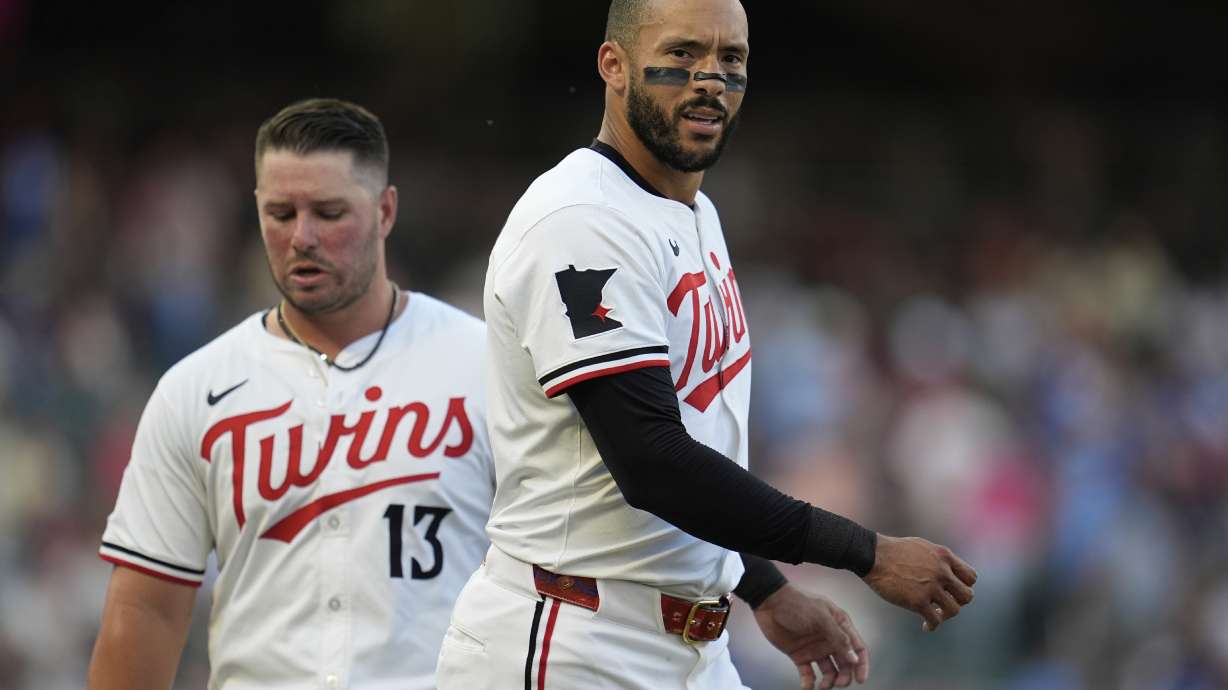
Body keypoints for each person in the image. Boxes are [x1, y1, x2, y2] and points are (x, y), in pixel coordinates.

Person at [436, 1, 978, 689]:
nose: (710, 79)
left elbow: (695, 449)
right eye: (684, 53)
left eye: (731, 59)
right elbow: (651, 461)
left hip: (685, 638)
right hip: (572, 637)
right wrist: (864, 552)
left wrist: (761, 586)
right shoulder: (582, 219)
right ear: (615, 67)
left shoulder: (689, 209)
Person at [87, 98, 494, 690]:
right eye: (280, 212)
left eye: (329, 212)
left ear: (385, 211)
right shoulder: (195, 390)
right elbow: (144, 609)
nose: (302, 236)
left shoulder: (482, 364)